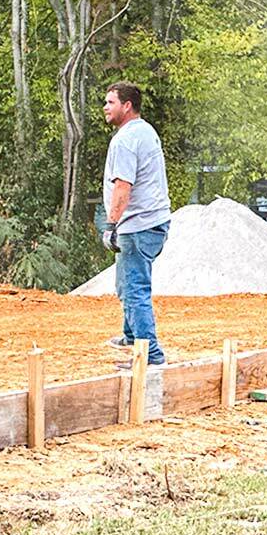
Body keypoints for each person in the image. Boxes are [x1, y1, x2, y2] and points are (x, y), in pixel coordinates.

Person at [100, 81, 173, 368]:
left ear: (127, 105)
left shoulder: (126, 140)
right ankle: (131, 335)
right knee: (126, 283)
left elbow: (123, 186)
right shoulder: (145, 131)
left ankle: (149, 354)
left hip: (138, 224)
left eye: (111, 102)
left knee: (134, 289)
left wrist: (111, 225)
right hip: (151, 221)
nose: (105, 107)